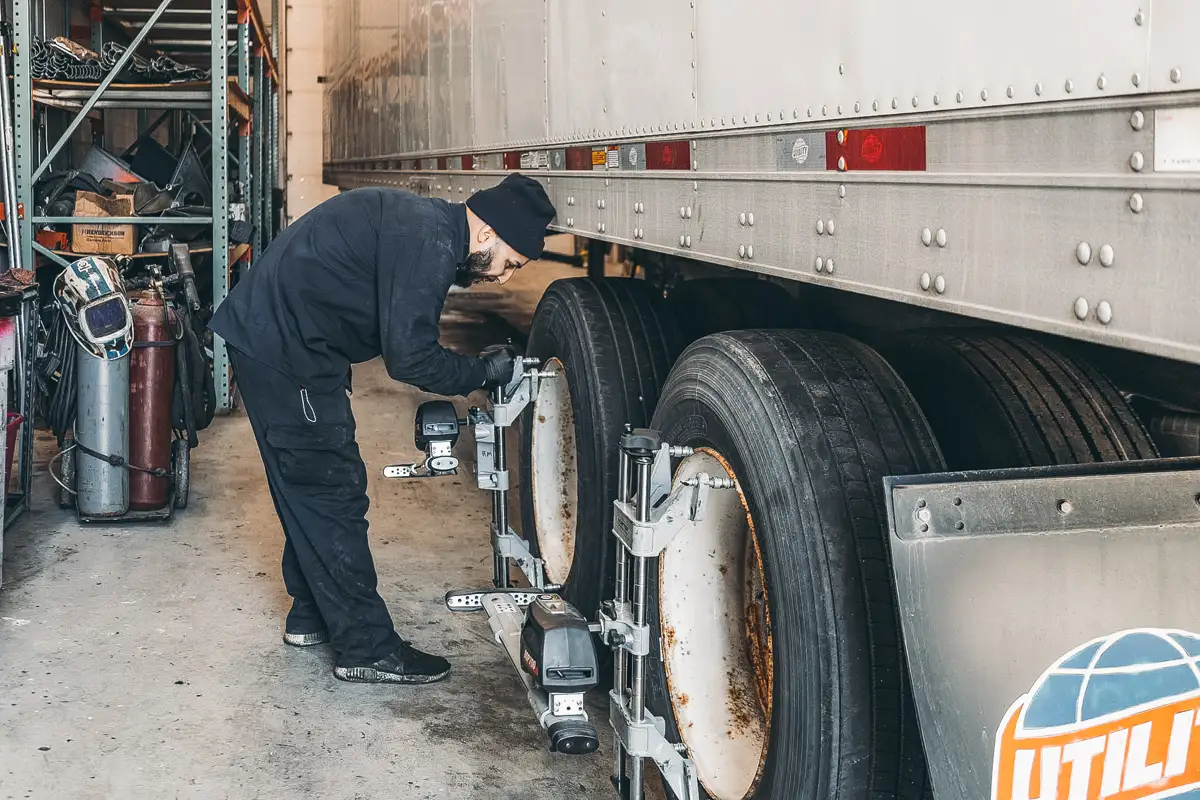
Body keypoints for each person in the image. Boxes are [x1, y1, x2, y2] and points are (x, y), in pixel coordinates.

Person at [209, 173, 557, 684]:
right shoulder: (430, 244)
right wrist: (483, 371)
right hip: (287, 353)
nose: (503, 278)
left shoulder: (427, 227)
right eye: (510, 263)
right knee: (330, 491)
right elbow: (410, 358)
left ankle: (310, 615)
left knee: (312, 489)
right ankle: (366, 648)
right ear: (487, 233)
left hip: (284, 342)